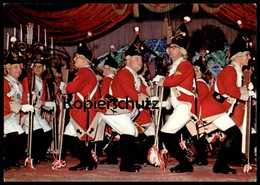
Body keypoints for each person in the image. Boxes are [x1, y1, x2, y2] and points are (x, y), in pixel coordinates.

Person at [200, 25, 254, 174]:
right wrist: (245, 93)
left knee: (233, 133)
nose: (249, 57)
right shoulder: (230, 70)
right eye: (247, 55)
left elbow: (232, 91)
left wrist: (245, 92)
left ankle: (220, 164)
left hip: (218, 109)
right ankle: (219, 165)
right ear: (239, 56)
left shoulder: (236, 71)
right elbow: (231, 90)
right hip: (213, 109)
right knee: (234, 133)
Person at [98, 27, 149, 172]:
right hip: (113, 111)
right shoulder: (124, 74)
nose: (141, 62)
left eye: (141, 59)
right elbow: (132, 94)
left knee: (131, 132)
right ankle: (126, 165)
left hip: (124, 111)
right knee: (129, 131)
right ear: (128, 60)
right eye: (137, 59)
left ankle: (128, 163)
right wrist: (148, 100)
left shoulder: (134, 75)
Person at [153, 16, 195, 173]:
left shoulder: (184, 64)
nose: (170, 49)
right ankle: (185, 163)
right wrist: (165, 103)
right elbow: (175, 92)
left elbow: (174, 81)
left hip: (186, 106)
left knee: (166, 134)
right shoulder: (175, 66)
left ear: (182, 50)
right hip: (180, 105)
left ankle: (185, 164)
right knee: (168, 135)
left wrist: (161, 80)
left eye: (174, 47)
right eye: (170, 47)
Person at [59, 40, 100, 171]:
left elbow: (73, 87)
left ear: (83, 59)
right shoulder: (89, 72)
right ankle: (88, 161)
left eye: (76, 57)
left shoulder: (83, 72)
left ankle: (87, 161)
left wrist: (64, 87)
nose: (74, 59)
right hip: (84, 110)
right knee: (73, 138)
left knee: (72, 138)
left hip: (82, 112)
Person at [21, 56, 56, 164]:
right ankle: (33, 156)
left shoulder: (43, 82)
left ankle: (40, 155)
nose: (37, 69)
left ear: (44, 69)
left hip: (37, 113)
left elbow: (42, 99)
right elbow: (30, 98)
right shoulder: (28, 80)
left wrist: (50, 105)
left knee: (48, 132)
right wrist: (45, 103)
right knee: (39, 132)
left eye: (40, 67)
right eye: (35, 66)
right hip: (27, 112)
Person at [4, 53, 34, 171]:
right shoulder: (5, 81)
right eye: (16, 67)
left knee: (21, 137)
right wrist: (20, 107)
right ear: (8, 68)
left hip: (12, 117)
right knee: (14, 136)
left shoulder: (19, 84)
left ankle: (11, 160)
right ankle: (6, 161)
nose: (19, 70)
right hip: (5, 115)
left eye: (20, 67)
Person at [99, 52, 119, 165]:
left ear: (109, 68)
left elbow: (105, 96)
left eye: (104, 67)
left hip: (108, 109)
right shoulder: (116, 79)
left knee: (109, 134)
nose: (102, 70)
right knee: (114, 134)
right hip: (117, 108)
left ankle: (111, 158)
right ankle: (112, 157)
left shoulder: (107, 80)